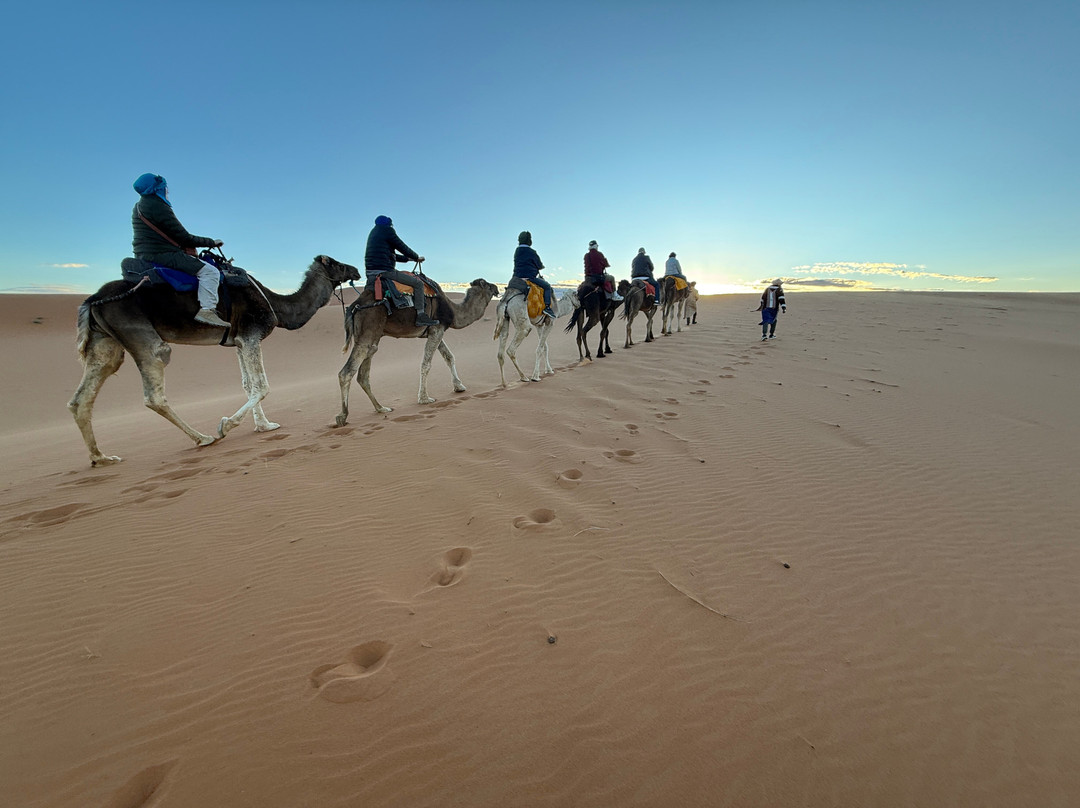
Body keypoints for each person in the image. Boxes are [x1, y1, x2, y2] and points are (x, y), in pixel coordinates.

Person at [131, 173, 229, 328]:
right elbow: (184, 238)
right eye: (164, 187)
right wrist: (212, 242)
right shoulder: (157, 205)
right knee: (210, 272)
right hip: (162, 254)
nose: (167, 190)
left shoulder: (139, 206)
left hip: (145, 253)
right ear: (157, 188)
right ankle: (207, 310)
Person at [364, 215, 439, 327]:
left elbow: (392, 255)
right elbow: (401, 246)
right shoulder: (387, 230)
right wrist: (416, 257)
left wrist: (409, 259)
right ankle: (421, 316)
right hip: (385, 271)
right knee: (418, 283)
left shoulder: (374, 233)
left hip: (370, 273)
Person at [512, 231, 556, 318]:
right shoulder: (532, 252)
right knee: (547, 286)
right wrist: (540, 266)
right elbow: (538, 264)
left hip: (516, 277)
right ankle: (547, 308)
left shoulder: (517, 251)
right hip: (529, 277)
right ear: (529, 240)